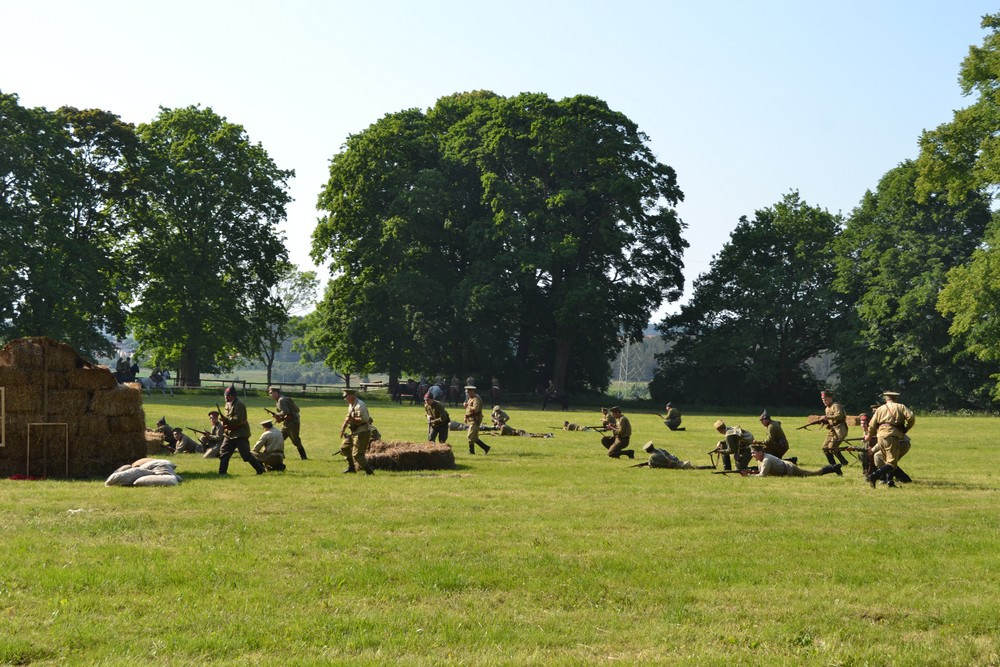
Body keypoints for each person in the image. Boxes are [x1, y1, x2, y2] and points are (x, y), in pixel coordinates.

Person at [865, 390, 915, 488]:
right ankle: (874, 476)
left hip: (880, 435)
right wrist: (907, 428)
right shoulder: (900, 407)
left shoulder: (880, 409)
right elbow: (911, 417)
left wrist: (869, 436)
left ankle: (890, 482)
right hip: (892, 435)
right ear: (896, 398)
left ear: (886, 398)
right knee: (891, 463)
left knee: (886, 461)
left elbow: (872, 425)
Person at [218, 385, 266, 475]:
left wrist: (226, 420)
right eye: (225, 395)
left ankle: (260, 469)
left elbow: (238, 419)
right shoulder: (227, 404)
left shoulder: (239, 404)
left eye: (227, 395)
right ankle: (222, 473)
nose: (225, 397)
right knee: (224, 453)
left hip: (240, 434)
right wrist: (224, 421)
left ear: (233, 396)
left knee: (246, 455)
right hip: (230, 433)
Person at [748, 443, 842, 477]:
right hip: (786, 465)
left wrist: (748, 475)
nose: (752, 455)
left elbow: (763, 475)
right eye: (752, 453)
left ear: (760, 452)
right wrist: (752, 472)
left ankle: (834, 467)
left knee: (813, 473)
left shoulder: (766, 460)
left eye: (754, 453)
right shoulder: (761, 459)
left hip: (790, 468)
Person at [340, 388, 374, 475]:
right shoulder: (351, 405)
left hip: (362, 432)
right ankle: (351, 468)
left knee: (357, 455)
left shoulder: (360, 405)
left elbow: (365, 419)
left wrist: (353, 420)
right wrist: (343, 427)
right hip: (354, 431)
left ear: (352, 396)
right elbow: (348, 417)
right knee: (345, 448)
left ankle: (369, 472)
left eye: (346, 397)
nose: (345, 399)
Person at [268, 386, 307, 460]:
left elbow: (286, 411)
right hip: (287, 422)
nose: (270, 395)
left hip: (293, 423)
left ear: (276, 393)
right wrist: (280, 418)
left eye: (271, 393)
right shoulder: (280, 399)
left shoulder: (281, 400)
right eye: (270, 393)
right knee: (279, 438)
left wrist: (277, 415)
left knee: (296, 440)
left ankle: (303, 456)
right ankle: (280, 455)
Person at [819, 391, 850, 466]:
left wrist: (827, 417)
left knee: (832, 447)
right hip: (832, 430)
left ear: (830, 398)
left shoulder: (836, 406)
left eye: (825, 399)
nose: (824, 402)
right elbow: (830, 420)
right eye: (823, 400)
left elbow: (840, 416)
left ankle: (842, 463)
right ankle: (833, 465)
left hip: (840, 429)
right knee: (825, 448)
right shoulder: (826, 409)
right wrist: (824, 421)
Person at [464, 386, 491, 454]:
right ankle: (485, 448)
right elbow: (468, 410)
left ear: (472, 391)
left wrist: (467, 406)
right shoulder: (470, 399)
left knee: (470, 436)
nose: (467, 394)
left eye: (468, 392)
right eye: (467, 392)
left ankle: (472, 451)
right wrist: (465, 417)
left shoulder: (476, 399)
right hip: (471, 420)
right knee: (474, 437)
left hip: (475, 420)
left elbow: (475, 409)